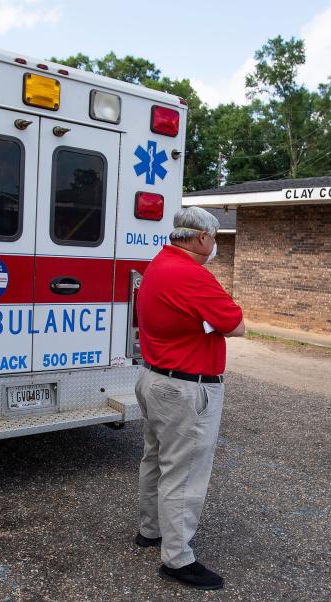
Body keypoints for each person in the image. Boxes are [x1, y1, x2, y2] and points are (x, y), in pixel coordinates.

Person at [133, 206, 245, 590]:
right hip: (185, 388)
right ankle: (178, 558)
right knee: (184, 473)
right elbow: (237, 324)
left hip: (153, 378)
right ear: (202, 239)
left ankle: (150, 530)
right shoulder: (192, 275)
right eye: (215, 239)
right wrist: (208, 322)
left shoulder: (159, 265)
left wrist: (206, 320)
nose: (215, 246)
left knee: (156, 460)